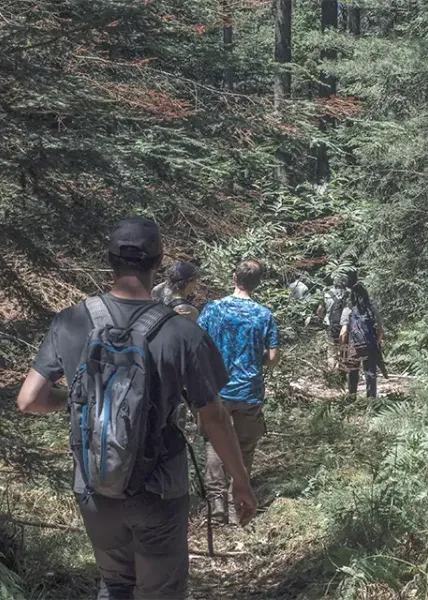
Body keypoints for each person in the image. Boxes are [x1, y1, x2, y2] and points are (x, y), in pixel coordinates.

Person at [16, 216, 256, 600]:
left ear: (109, 260)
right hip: (160, 489)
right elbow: (214, 418)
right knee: (161, 591)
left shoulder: (72, 321)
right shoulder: (183, 332)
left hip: (95, 485)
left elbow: (29, 400)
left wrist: (77, 401)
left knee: (114, 584)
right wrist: (240, 483)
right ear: (158, 262)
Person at [198, 259, 280, 525]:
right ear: (257, 283)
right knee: (244, 446)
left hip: (217, 389)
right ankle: (238, 508)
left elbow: (197, 345)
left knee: (214, 443)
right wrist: (256, 360)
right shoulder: (263, 315)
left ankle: (216, 506)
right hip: (249, 390)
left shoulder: (212, 309)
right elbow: (273, 356)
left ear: (234, 277)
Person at [339, 281, 384, 398]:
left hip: (354, 346)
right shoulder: (372, 309)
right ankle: (371, 400)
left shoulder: (348, 310)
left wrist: (343, 350)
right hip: (370, 345)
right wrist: (376, 343)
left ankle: (352, 397)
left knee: (353, 371)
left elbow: (343, 333)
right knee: (370, 373)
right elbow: (380, 330)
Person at [316, 273, 350, 372]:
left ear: (334, 283)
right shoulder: (351, 293)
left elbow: (319, 311)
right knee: (344, 349)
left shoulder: (327, 294)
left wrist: (321, 319)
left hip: (330, 325)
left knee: (331, 351)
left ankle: (332, 374)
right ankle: (342, 372)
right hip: (346, 326)